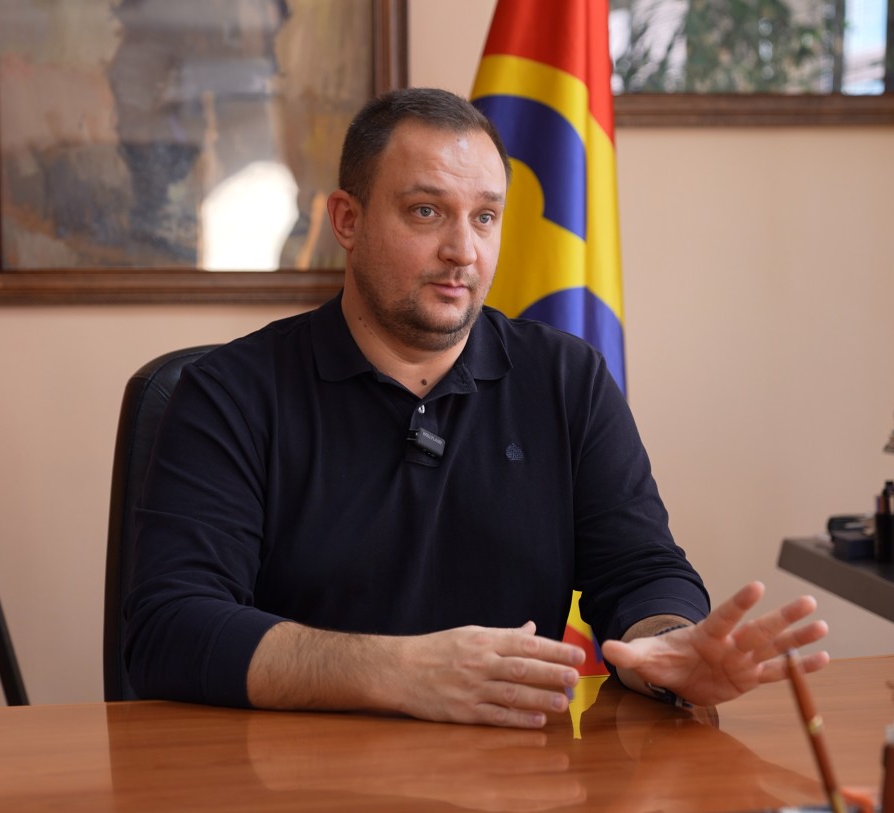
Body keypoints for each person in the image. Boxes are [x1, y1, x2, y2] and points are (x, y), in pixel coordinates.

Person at [124, 87, 828, 729]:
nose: (463, 250)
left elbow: (641, 571)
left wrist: (666, 647)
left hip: (515, 775)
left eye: (484, 217)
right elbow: (170, 628)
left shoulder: (567, 379)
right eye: (425, 211)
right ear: (347, 219)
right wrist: (401, 672)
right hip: (294, 779)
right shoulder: (228, 392)